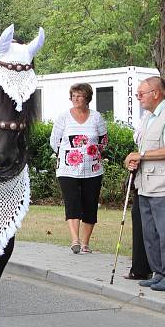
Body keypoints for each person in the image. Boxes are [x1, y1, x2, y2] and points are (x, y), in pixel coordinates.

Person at [124, 77, 165, 292]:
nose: (138, 97)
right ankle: (158, 273)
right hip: (147, 183)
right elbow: (146, 149)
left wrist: (141, 155)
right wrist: (136, 159)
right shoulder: (149, 118)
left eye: (141, 93)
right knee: (150, 231)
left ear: (156, 93)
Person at [49, 83, 107, 254]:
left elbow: (103, 141)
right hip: (67, 169)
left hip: (93, 169)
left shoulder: (96, 117)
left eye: (79, 95)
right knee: (72, 202)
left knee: (90, 205)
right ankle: (75, 240)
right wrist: (70, 154)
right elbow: (55, 141)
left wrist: (90, 153)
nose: (75, 99)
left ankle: (85, 243)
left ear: (87, 98)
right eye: (73, 95)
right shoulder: (63, 118)